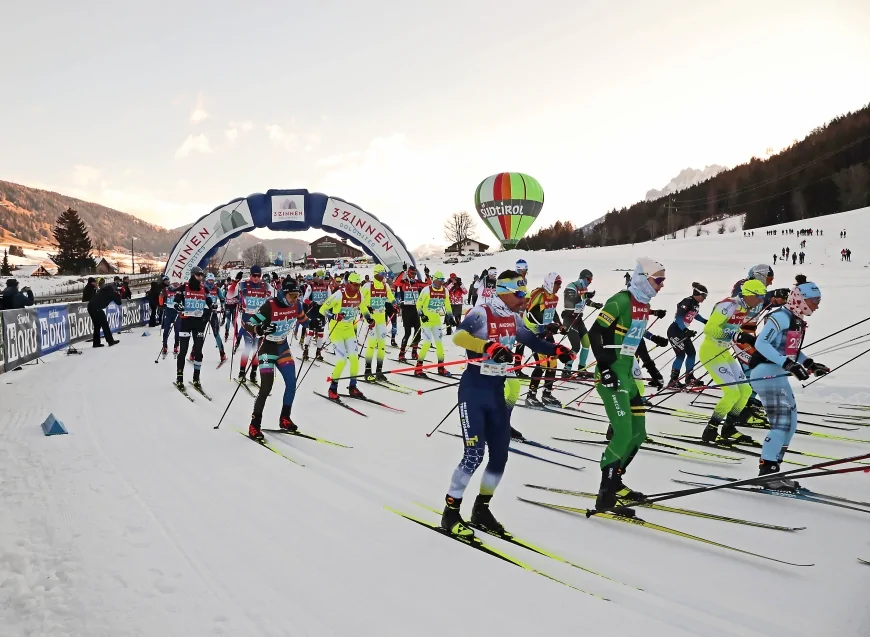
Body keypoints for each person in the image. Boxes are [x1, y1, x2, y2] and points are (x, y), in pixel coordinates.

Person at [441, 270, 574, 537]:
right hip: (474, 391)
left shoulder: (513, 317)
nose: (523, 299)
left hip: (496, 392)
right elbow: (458, 337)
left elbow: (531, 340)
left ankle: (481, 509)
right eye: (519, 294)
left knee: (500, 456)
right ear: (503, 291)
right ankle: (451, 513)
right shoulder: (481, 312)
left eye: (524, 293)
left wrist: (556, 349)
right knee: (473, 456)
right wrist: (487, 347)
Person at [588, 258, 665, 512]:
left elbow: (637, 341)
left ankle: (616, 482)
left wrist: (652, 369)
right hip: (612, 375)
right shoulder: (620, 300)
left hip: (628, 376)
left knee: (638, 434)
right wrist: (606, 368)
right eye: (659, 279)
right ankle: (605, 494)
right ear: (644, 277)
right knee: (621, 433)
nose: (662, 285)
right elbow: (595, 332)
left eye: (664, 280)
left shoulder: (643, 305)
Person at [749, 280, 828, 490]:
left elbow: (790, 351)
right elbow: (761, 344)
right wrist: (788, 364)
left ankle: (775, 469)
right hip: (765, 373)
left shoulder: (795, 319)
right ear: (800, 299)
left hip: (777, 374)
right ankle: (766, 472)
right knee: (781, 422)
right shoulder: (780, 317)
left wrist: (810, 364)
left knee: (791, 423)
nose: (817, 306)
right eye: (814, 301)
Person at [699, 279, 767, 444]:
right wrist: (736, 336)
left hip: (723, 351)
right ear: (749, 295)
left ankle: (728, 427)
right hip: (710, 351)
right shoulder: (729, 305)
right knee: (732, 392)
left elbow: (732, 329)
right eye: (759, 297)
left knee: (744, 391)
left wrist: (749, 340)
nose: (760, 301)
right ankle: (711, 429)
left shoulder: (744, 308)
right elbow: (709, 328)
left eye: (762, 297)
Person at [244, 278, 309, 441]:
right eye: (292, 296)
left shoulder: (296, 305)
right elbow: (248, 324)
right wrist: (260, 328)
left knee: (291, 383)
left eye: (297, 296)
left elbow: (304, 321)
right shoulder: (270, 305)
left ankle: (284, 418)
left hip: (282, 347)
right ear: (283, 294)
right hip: (267, 347)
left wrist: (315, 323)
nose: (295, 299)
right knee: (266, 387)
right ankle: (254, 425)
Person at [320, 272, 366, 400]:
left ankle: (353, 386)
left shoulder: (359, 295)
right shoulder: (339, 295)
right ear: (349, 283)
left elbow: (364, 309)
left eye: (359, 285)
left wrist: (369, 318)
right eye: (355, 285)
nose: (357, 288)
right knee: (342, 360)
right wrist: (334, 316)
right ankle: (332, 388)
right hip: (336, 331)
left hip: (349, 330)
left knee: (354, 359)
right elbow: (322, 309)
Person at [525, 272, 563, 406]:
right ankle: (531, 395)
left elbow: (553, 312)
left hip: (546, 330)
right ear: (550, 283)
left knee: (553, 362)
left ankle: (547, 394)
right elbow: (531, 313)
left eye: (560, 284)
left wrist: (560, 325)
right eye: (557, 284)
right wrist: (547, 324)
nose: (559, 287)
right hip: (534, 330)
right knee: (542, 364)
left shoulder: (554, 297)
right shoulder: (538, 294)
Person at [172, 266, 214, 391]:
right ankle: (179, 378)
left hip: (198, 323)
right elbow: (175, 302)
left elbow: (209, 301)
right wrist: (178, 306)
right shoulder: (183, 287)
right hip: (185, 322)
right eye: (198, 275)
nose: (200, 277)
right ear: (192, 275)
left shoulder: (204, 288)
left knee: (199, 351)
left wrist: (213, 305)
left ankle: (196, 378)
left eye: (201, 275)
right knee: (183, 350)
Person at [560, 269, 602, 379]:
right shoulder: (571, 286)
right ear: (582, 278)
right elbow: (570, 301)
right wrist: (584, 296)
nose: (590, 282)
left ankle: (581, 369)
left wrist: (594, 304)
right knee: (576, 346)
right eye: (588, 279)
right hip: (569, 319)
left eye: (591, 280)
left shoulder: (584, 288)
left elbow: (585, 301)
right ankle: (566, 370)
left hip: (579, 320)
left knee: (587, 343)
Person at [666, 282, 708, 388]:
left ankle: (689, 377)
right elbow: (679, 317)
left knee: (691, 353)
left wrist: (705, 321)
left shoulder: (695, 304)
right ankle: (673, 380)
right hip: (675, 331)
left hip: (682, 331)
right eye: (704, 296)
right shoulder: (687, 301)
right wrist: (685, 330)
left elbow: (694, 314)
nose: (705, 299)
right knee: (680, 355)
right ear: (698, 294)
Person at [237, 265, 272, 385]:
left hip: (260, 321)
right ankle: (242, 372)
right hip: (247, 320)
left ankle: (253, 372)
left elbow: (273, 301)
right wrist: (235, 281)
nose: (256, 278)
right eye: (254, 275)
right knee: (248, 347)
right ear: (250, 275)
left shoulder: (266, 286)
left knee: (257, 350)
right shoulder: (243, 284)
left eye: (258, 275)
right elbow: (230, 294)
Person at [414, 270, 454, 377]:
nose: (441, 282)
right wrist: (421, 315)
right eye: (439, 280)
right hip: (426, 320)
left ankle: (441, 368)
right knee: (427, 343)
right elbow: (418, 304)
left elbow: (447, 305)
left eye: (442, 280)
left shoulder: (445, 291)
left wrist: (450, 317)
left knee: (440, 344)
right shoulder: (426, 290)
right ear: (434, 280)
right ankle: (418, 367)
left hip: (436, 319)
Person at [361, 264, 396, 381]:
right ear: (376, 274)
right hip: (371, 320)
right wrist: (366, 307)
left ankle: (379, 371)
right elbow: (358, 299)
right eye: (382, 274)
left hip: (381, 318)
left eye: (384, 274)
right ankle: (367, 371)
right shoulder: (367, 286)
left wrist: (395, 305)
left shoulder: (385, 286)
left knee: (381, 346)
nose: (384, 276)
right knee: (371, 345)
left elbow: (391, 298)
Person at [394, 265, 427, 361]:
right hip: (407, 310)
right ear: (408, 273)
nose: (413, 275)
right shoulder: (404, 283)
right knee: (407, 333)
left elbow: (428, 285)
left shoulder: (417, 283)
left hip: (415, 309)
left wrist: (427, 275)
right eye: (412, 273)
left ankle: (414, 352)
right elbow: (396, 283)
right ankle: (402, 353)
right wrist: (403, 271)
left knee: (418, 331)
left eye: (415, 274)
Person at [301, 270, 331, 362]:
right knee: (310, 331)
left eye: (323, 277)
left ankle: (318, 352)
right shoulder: (311, 286)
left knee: (321, 332)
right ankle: (305, 351)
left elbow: (330, 299)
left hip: (322, 311)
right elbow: (304, 299)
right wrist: (311, 302)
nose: (322, 279)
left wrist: (328, 305)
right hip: (313, 310)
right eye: (320, 277)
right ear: (316, 277)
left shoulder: (327, 287)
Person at [87, 278, 122, 347]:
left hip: (91, 307)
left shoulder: (103, 290)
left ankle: (96, 343)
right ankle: (110, 341)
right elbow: (119, 302)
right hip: (96, 308)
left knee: (97, 325)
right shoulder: (111, 293)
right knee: (104, 324)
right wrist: (118, 295)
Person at [203, 273, 227, 364]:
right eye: (209, 280)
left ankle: (222, 353)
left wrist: (222, 303)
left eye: (212, 280)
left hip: (213, 313)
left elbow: (222, 298)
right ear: (206, 280)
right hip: (204, 313)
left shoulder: (217, 289)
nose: (211, 282)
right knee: (200, 334)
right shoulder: (202, 288)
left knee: (216, 333)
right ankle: (193, 353)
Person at [160, 279, 181, 356]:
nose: (175, 284)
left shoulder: (180, 289)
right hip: (168, 311)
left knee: (177, 330)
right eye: (174, 282)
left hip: (176, 311)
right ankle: (164, 346)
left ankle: (176, 345)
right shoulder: (166, 289)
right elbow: (161, 296)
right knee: (166, 329)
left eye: (177, 283)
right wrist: (161, 304)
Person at [224, 271, 243, 340]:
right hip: (228, 306)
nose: (231, 282)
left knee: (234, 320)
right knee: (228, 320)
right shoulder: (228, 286)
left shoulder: (237, 286)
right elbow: (226, 294)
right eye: (230, 281)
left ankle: (236, 333)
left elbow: (240, 296)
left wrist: (240, 302)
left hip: (234, 306)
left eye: (232, 281)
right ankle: (226, 332)